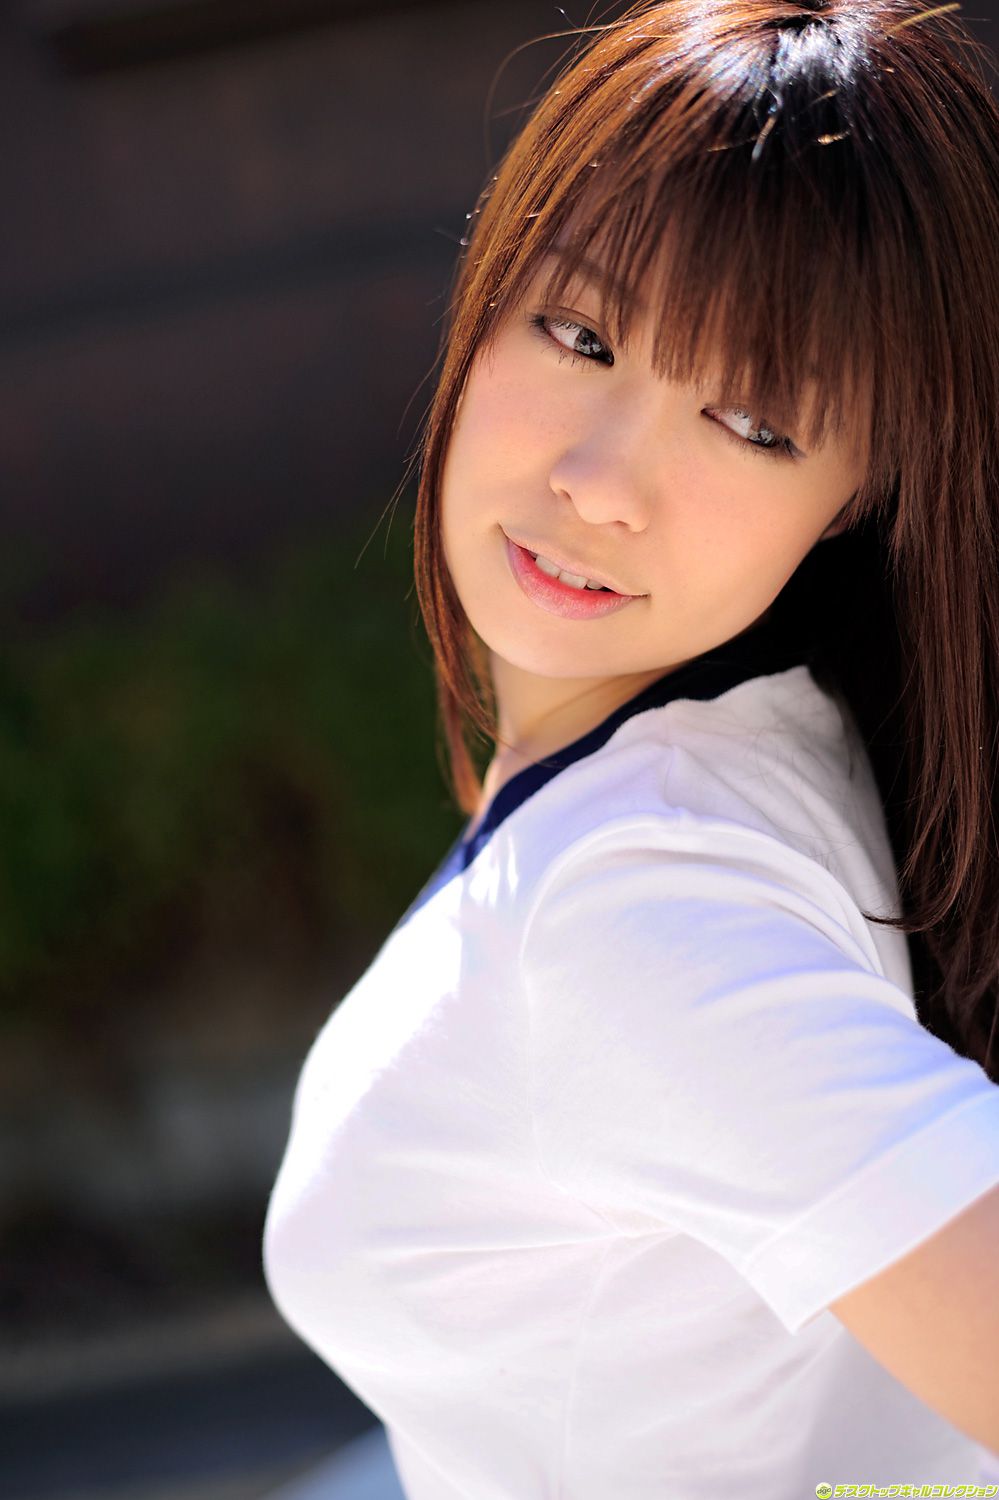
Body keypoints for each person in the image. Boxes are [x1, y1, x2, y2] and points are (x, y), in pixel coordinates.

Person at [262, 3, 999, 1495]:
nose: (603, 483)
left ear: (865, 492)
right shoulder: (756, 747)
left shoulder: (636, 901)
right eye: (582, 334)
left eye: (754, 422)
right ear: (485, 291)